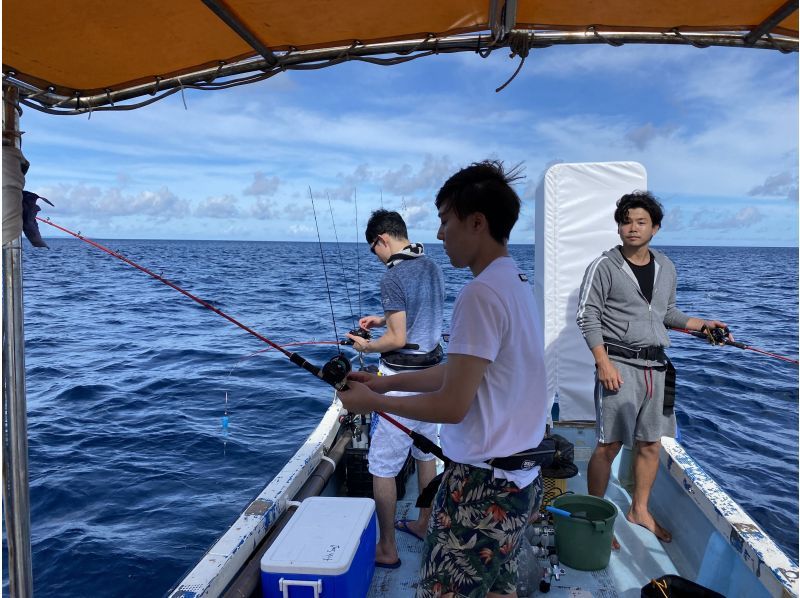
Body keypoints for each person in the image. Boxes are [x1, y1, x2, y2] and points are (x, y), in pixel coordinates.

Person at [339, 161, 548, 598]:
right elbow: (459, 372)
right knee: (498, 589)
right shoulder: (515, 282)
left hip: (481, 487)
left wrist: (373, 404)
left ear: (477, 222)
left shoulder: (479, 294)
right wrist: (383, 384)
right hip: (521, 480)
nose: (438, 235)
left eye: (445, 221)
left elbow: (453, 404)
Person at [576, 190, 730, 548]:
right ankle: (595, 515)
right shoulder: (603, 266)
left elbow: (668, 314)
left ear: (655, 228)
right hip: (618, 365)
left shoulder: (666, 267)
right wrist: (603, 363)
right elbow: (587, 316)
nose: (632, 227)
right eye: (626, 221)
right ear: (618, 228)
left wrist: (702, 324)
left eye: (640, 221)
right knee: (608, 445)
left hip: (656, 368)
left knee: (650, 444)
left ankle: (639, 510)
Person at [345, 209, 445, 569]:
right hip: (433, 378)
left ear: (382, 240)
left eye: (374, 249)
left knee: (383, 467)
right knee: (425, 453)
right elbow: (417, 312)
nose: (376, 257)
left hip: (400, 384)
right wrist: (382, 317)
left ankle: (387, 547)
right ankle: (423, 522)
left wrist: (365, 345)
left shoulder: (392, 277)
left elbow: (398, 339)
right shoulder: (430, 265)